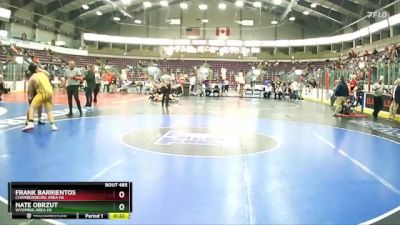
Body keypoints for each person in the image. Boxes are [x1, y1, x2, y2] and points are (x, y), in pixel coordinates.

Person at [22, 64, 57, 132]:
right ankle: (53, 125)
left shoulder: (32, 78)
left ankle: (30, 123)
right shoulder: (43, 74)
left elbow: (30, 91)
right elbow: (48, 74)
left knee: (32, 107)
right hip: (50, 92)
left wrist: (30, 98)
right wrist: (40, 69)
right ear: (36, 69)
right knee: (49, 110)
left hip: (42, 92)